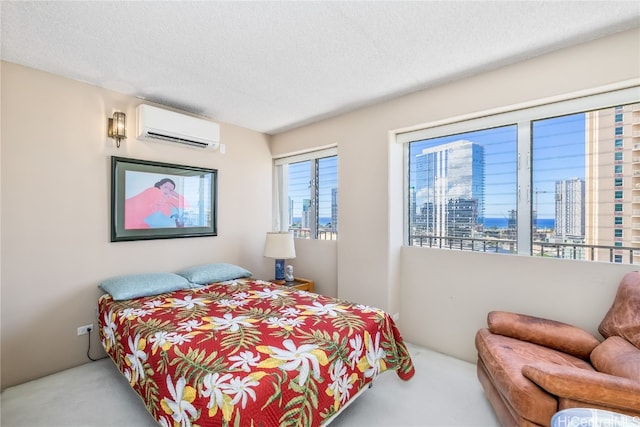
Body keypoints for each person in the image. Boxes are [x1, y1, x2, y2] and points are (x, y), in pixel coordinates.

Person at [124, 178, 189, 229]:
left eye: (170, 190)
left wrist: (174, 194)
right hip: (126, 214)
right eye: (165, 187)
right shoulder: (154, 191)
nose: (167, 190)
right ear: (160, 186)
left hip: (136, 223)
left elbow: (185, 204)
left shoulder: (166, 199)